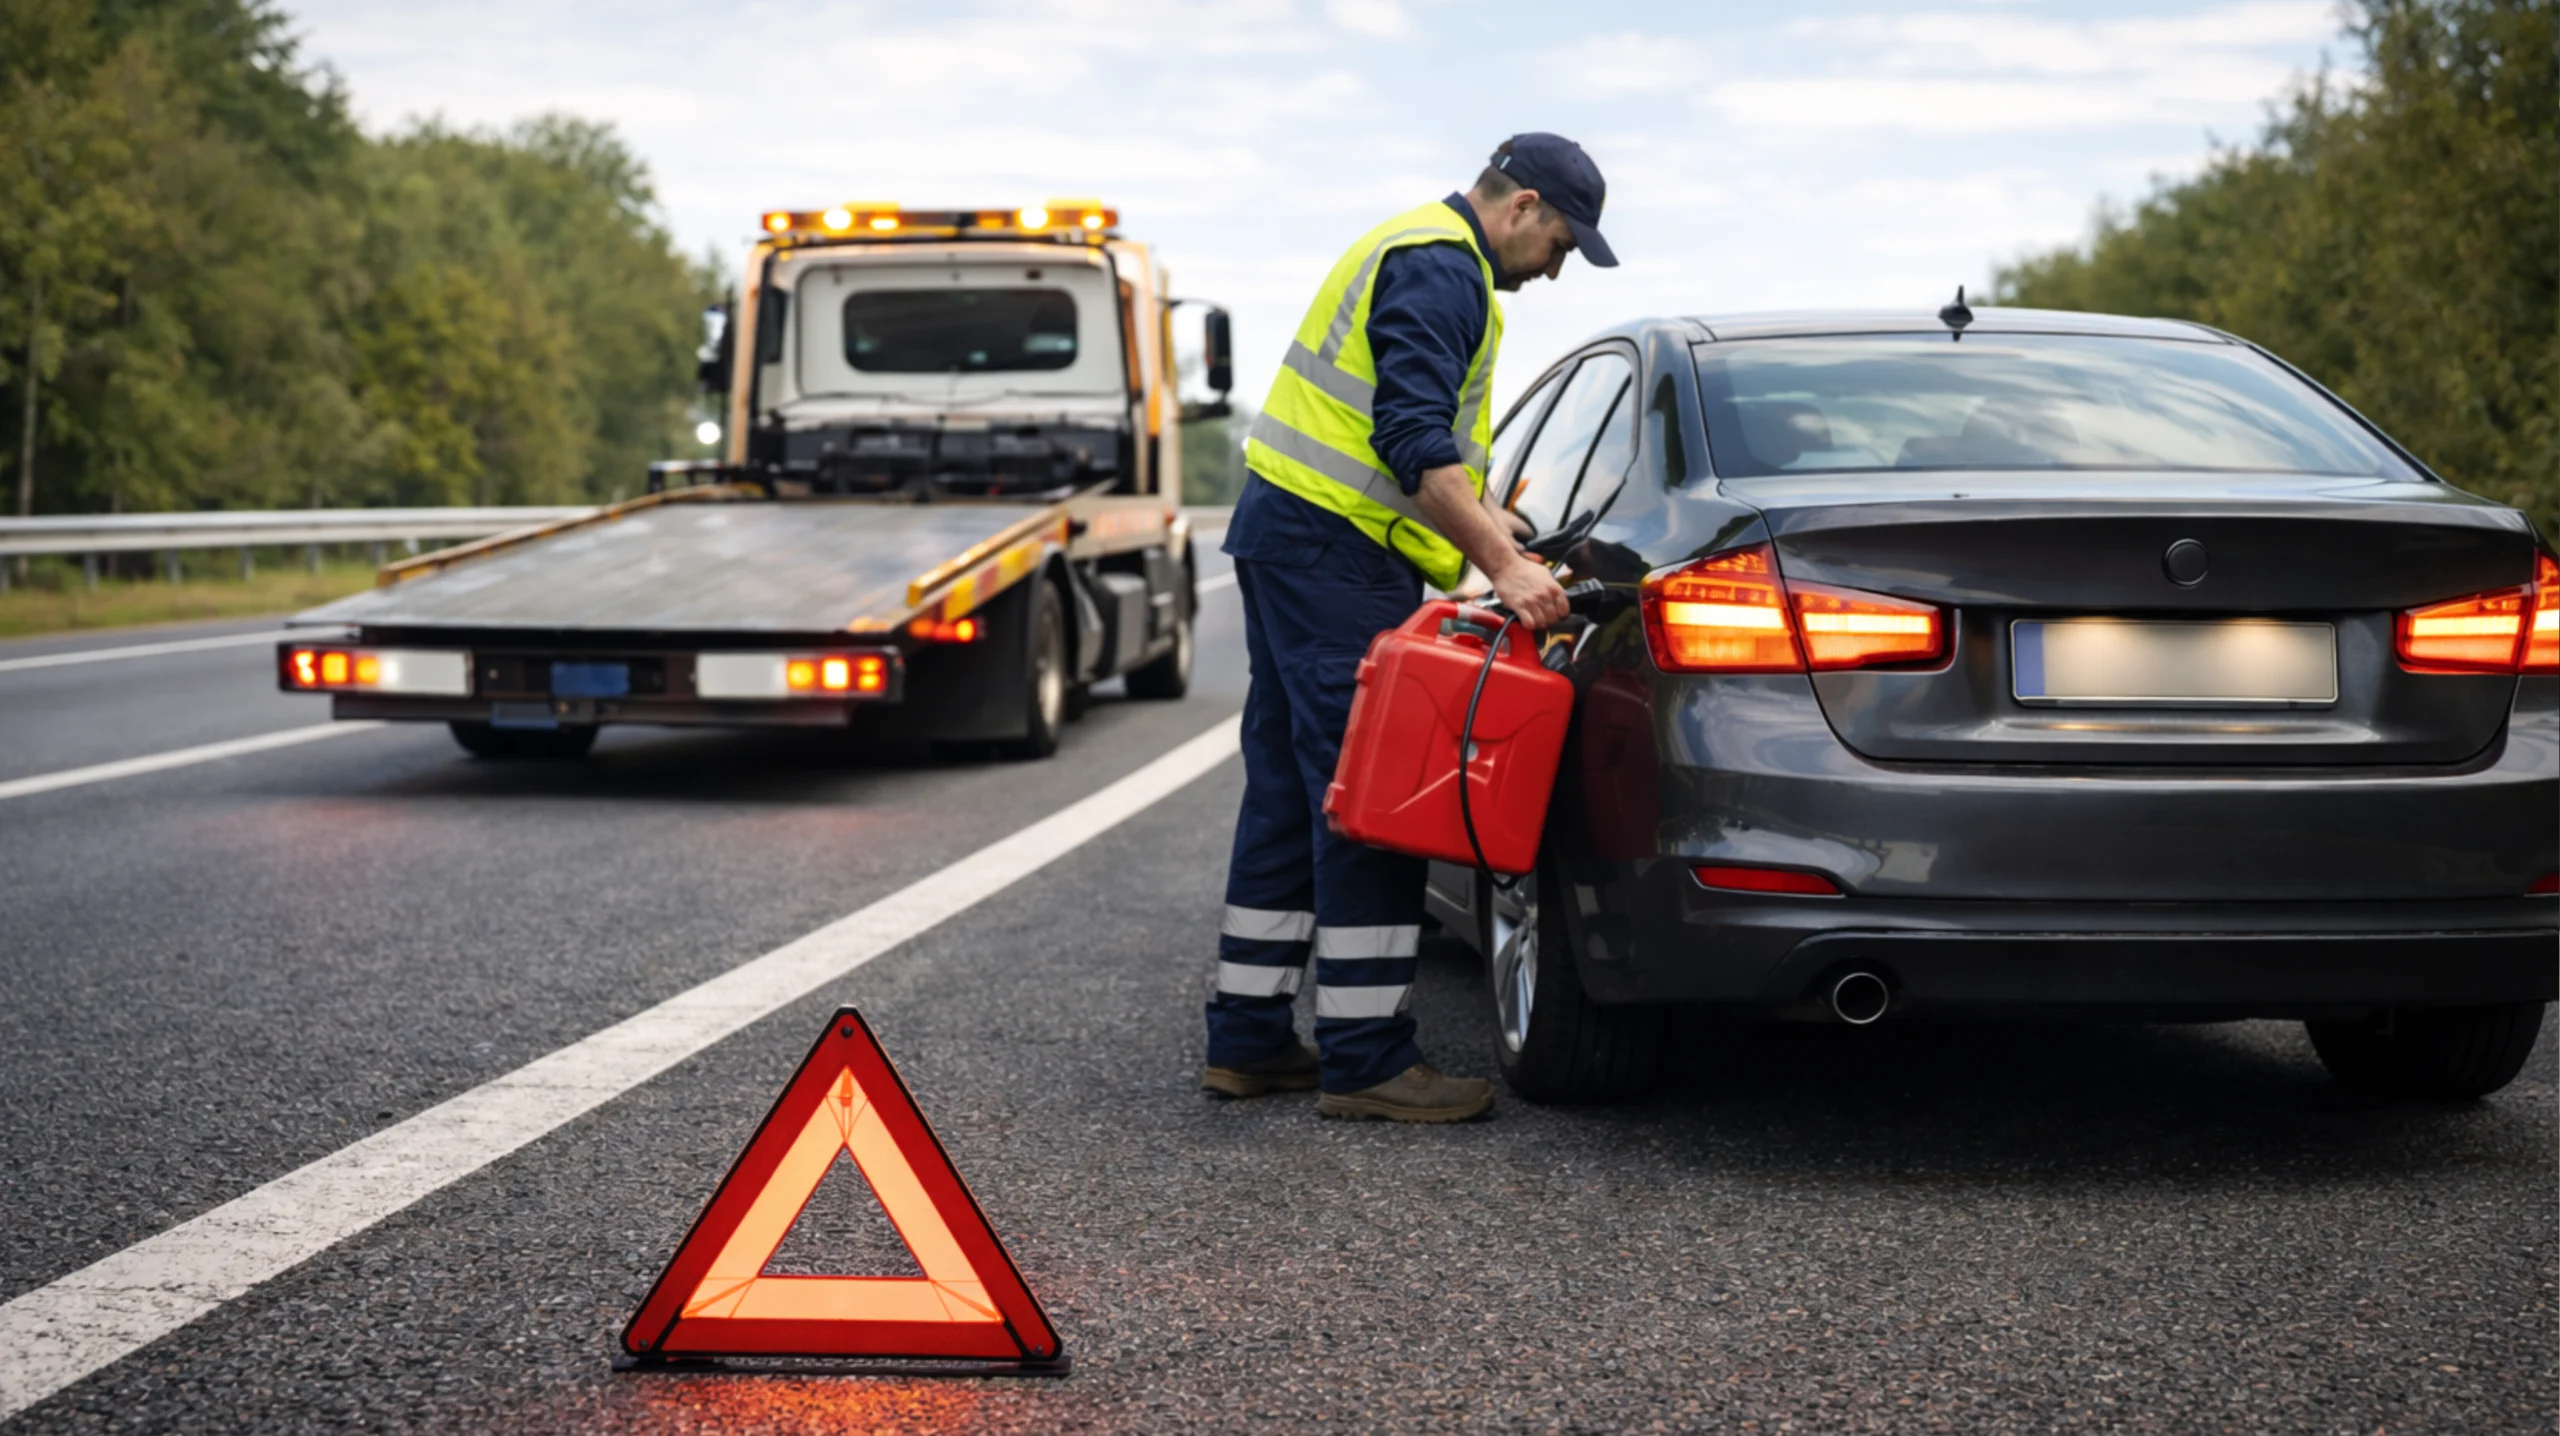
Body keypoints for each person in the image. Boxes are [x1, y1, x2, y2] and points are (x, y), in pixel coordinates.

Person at [1201, 133, 1618, 1122]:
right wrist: (1505, 564)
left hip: (1295, 535)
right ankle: (1367, 1057)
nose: (1557, 265)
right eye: (1561, 240)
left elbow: (1417, 450)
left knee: (1288, 791)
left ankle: (1250, 1039)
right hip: (1330, 550)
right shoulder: (1442, 266)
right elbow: (1412, 445)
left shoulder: (1417, 247)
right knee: (1369, 793)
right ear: (1519, 207)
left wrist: (1494, 524)